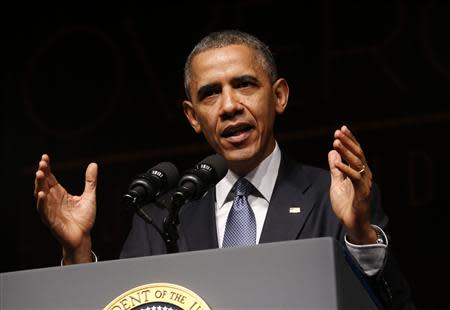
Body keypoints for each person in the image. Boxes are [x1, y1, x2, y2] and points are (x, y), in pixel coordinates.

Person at [34, 30, 415, 309]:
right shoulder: (160, 214)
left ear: (278, 96)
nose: (229, 105)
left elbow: (392, 306)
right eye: (210, 93)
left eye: (244, 85)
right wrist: (77, 255)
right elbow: (126, 305)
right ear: (192, 116)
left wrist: (362, 236)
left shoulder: (332, 198)